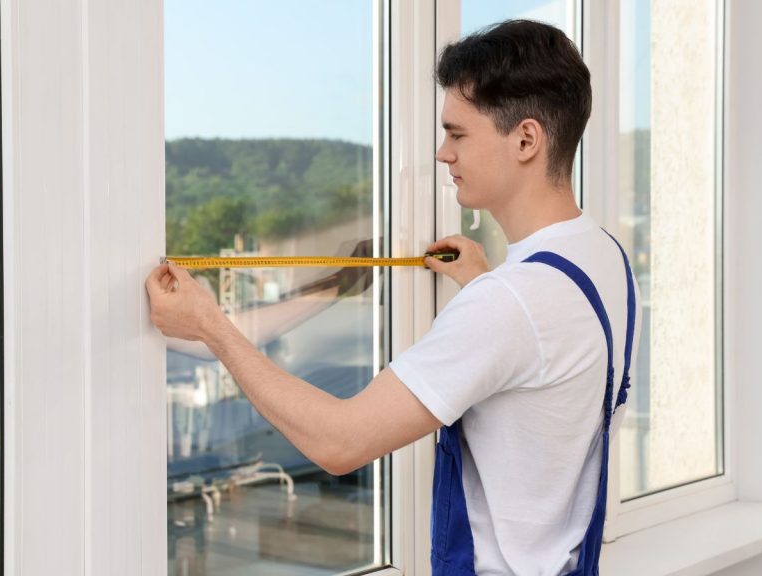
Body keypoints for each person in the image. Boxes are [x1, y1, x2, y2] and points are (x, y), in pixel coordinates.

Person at [147, 19, 640, 576]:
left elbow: (339, 441)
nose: (441, 154)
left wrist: (211, 324)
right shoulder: (604, 260)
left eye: (457, 134)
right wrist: (479, 280)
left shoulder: (510, 302)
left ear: (526, 139)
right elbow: (539, 375)